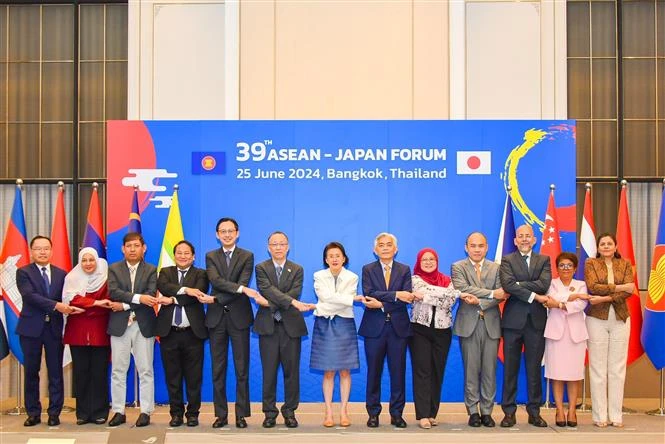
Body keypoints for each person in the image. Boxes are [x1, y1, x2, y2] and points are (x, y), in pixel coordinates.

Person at [17, 235, 83, 427]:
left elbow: (69, 296)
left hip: (54, 329)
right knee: (31, 372)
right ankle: (33, 413)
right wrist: (57, 306)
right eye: (38, 248)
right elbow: (30, 296)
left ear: (52, 251)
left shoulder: (62, 274)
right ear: (31, 252)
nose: (43, 252)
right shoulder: (23, 273)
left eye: (46, 248)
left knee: (56, 372)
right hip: (30, 329)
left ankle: (54, 413)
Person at [254, 231, 313, 428]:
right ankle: (269, 413)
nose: (278, 247)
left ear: (288, 246)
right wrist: (292, 302)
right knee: (269, 372)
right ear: (268, 247)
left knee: (291, 372)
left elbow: (294, 292)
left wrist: (269, 303)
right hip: (268, 327)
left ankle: (290, 412)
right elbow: (266, 289)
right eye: (274, 244)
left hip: (291, 328)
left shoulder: (297, 269)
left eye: (282, 244)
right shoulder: (261, 267)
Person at [359, 232, 415, 429]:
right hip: (374, 329)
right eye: (381, 245)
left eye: (388, 244)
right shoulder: (368, 269)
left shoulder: (404, 270)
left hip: (398, 329)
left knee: (398, 372)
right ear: (375, 250)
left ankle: (397, 414)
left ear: (395, 249)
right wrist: (396, 295)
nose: (384, 247)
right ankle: (373, 413)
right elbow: (369, 294)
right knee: (374, 372)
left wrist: (383, 305)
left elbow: (407, 297)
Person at [451, 232, 507, 428]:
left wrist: (481, 302)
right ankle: (473, 411)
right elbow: (461, 288)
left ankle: (487, 411)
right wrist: (491, 293)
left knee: (490, 371)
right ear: (466, 247)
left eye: (480, 246)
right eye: (473, 246)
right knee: (471, 370)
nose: (476, 249)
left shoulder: (497, 268)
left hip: (491, 324)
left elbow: (502, 295)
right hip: (468, 325)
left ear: (487, 247)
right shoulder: (458, 267)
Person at [499, 224, 552, 428]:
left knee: (533, 370)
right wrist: (532, 292)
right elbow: (507, 285)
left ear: (534, 239)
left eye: (527, 236)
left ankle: (534, 412)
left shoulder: (544, 260)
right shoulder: (507, 260)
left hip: (536, 322)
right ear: (515, 240)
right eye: (520, 236)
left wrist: (520, 285)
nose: (524, 239)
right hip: (512, 323)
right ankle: (509, 412)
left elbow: (544, 284)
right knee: (510, 369)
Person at [410, 248, 469, 429]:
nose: (428, 262)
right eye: (424, 259)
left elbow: (449, 302)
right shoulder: (414, 279)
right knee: (422, 371)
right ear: (419, 262)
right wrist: (453, 293)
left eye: (432, 259)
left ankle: (432, 413)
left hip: (442, 331)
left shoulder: (447, 279)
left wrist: (438, 295)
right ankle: (422, 415)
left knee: (437, 371)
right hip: (419, 329)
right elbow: (423, 293)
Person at [106, 232, 158, 427]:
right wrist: (138, 299)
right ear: (123, 249)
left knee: (146, 370)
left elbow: (150, 295)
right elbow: (114, 292)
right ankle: (118, 411)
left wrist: (126, 305)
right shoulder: (114, 269)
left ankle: (146, 411)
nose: (133, 249)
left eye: (136, 246)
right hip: (120, 326)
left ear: (143, 248)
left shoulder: (152, 270)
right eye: (129, 246)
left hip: (143, 325)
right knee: (118, 370)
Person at [156, 240, 209, 427]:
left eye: (187, 253)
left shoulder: (201, 274)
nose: (183, 256)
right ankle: (176, 414)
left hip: (193, 333)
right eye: (179, 252)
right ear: (174, 255)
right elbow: (164, 287)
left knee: (194, 377)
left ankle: (193, 414)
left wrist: (172, 299)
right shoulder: (165, 272)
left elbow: (198, 294)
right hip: (169, 332)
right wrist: (186, 290)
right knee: (173, 376)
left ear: (193, 256)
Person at [584, 233, 635, 428]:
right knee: (598, 368)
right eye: (602, 244)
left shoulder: (625, 264)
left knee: (617, 369)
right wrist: (621, 287)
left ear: (615, 246)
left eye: (609, 243)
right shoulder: (591, 263)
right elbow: (593, 287)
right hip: (596, 318)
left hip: (621, 318)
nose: (606, 246)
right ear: (598, 247)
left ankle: (616, 416)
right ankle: (599, 416)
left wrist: (606, 296)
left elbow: (629, 292)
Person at [310, 242, 363, 427]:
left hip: (345, 323)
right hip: (324, 324)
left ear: (344, 258)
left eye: (337, 255)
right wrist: (347, 299)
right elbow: (327, 297)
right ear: (326, 259)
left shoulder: (352, 277)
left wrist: (320, 305)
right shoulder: (318, 275)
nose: (334, 258)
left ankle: (344, 412)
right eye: (330, 255)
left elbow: (343, 304)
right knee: (329, 371)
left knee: (346, 370)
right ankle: (329, 413)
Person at [62, 247, 113, 425]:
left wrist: (87, 305)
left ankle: (100, 412)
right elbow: (71, 300)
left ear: (97, 261)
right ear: (79, 262)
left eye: (91, 260)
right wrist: (96, 303)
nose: (88, 264)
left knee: (99, 373)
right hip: (77, 332)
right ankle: (82, 414)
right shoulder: (72, 278)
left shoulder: (106, 278)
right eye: (84, 260)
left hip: (100, 331)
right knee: (81, 374)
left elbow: (108, 299)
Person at [543, 252, 589, 428]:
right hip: (556, 334)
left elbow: (581, 305)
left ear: (575, 268)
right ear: (557, 267)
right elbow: (550, 300)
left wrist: (562, 303)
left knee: (574, 375)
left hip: (576, 335)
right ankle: (559, 410)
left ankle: (572, 410)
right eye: (562, 265)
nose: (565, 268)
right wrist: (572, 297)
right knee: (557, 374)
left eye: (569, 265)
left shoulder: (581, 284)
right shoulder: (552, 283)